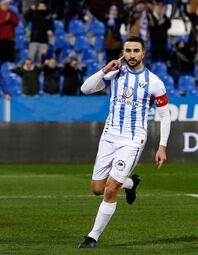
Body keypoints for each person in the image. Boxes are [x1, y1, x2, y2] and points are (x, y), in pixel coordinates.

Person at [78, 36, 171, 249]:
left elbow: (165, 116)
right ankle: (130, 183)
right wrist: (104, 69)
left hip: (132, 139)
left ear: (143, 53)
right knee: (97, 188)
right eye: (128, 51)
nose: (131, 55)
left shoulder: (154, 82)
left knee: (110, 189)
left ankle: (92, 237)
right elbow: (85, 89)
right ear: (123, 52)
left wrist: (162, 146)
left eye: (136, 51)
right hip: (109, 136)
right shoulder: (115, 73)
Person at [0, 0, 19, 65]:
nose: (6, 6)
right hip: (2, 38)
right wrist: (5, 20)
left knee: (11, 56)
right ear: (1, 6)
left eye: (7, 5)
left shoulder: (12, 13)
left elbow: (16, 22)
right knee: (3, 56)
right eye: (4, 5)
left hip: (10, 38)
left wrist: (10, 19)